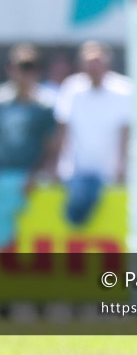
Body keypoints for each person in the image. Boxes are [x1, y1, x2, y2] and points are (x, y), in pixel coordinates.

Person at [54, 41, 132, 227]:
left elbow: (126, 131)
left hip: (110, 172)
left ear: (107, 63)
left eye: (98, 61)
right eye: (90, 61)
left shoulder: (124, 90)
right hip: (78, 170)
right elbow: (63, 128)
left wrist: (122, 166)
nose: (94, 66)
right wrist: (60, 164)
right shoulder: (72, 88)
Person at [0, 44, 58, 249]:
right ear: (10, 68)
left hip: (30, 180)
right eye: (20, 66)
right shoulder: (2, 102)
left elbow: (52, 147)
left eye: (29, 66)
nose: (24, 73)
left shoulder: (44, 106)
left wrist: (38, 173)